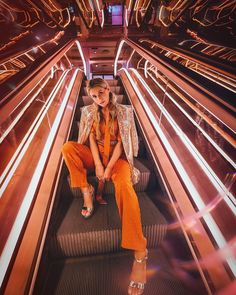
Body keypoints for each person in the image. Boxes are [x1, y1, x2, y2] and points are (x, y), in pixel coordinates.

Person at [62, 78, 148, 294]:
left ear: (109, 90)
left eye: (101, 93)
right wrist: (98, 165)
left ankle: (140, 253)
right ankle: (86, 191)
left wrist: (108, 168)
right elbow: (90, 138)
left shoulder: (125, 111)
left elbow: (122, 143)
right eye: (94, 96)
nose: (98, 99)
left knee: (126, 189)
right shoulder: (88, 111)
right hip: (95, 155)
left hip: (118, 160)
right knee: (68, 148)